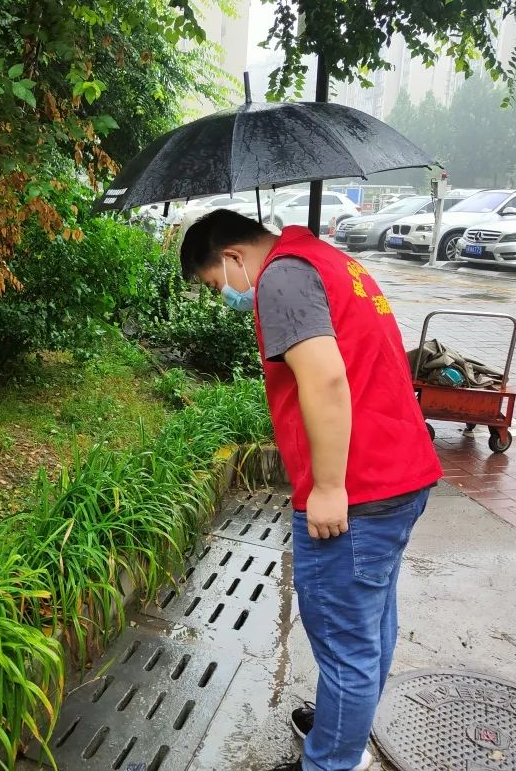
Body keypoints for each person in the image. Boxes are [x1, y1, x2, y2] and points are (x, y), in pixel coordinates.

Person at [179, 211, 443, 771]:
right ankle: (340, 730)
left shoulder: (281, 277)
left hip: (357, 491)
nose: (224, 296)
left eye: (215, 284)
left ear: (232, 257)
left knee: (346, 644)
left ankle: (332, 761)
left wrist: (326, 487)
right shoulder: (329, 261)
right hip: (399, 472)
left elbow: (324, 378)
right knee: (370, 627)